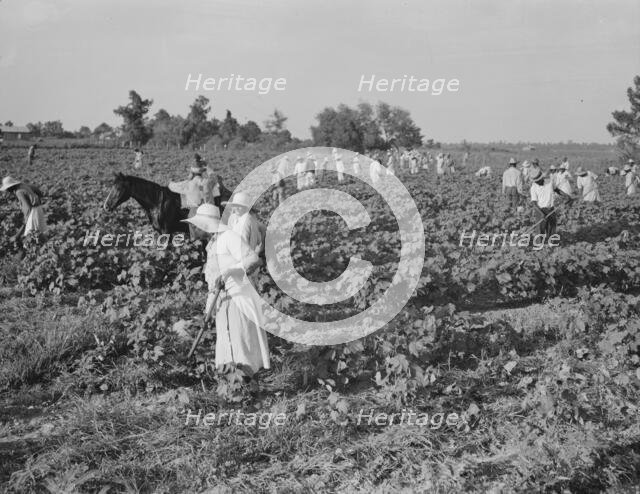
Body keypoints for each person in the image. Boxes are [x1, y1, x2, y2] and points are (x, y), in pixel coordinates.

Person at [183, 204, 269, 375]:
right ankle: (231, 381)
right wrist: (208, 311)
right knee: (227, 342)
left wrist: (230, 272)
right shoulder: (212, 244)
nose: (193, 229)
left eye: (195, 226)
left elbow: (253, 260)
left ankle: (245, 382)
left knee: (241, 342)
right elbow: (212, 283)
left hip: (237, 298)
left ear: (205, 225)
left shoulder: (229, 237)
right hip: (222, 300)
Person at [168, 159, 208, 240]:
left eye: (190, 172)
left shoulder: (192, 182)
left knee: (193, 224)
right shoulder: (200, 180)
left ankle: (196, 240)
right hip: (205, 207)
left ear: (192, 173)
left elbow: (177, 187)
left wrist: (170, 183)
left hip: (195, 208)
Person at [529, 168, 573, 240]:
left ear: (542, 178)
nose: (537, 182)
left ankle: (552, 246)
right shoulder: (533, 188)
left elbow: (557, 190)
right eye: (535, 181)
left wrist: (566, 196)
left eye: (538, 180)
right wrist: (541, 214)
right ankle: (539, 247)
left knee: (552, 229)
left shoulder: (549, 182)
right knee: (540, 230)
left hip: (550, 209)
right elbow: (534, 203)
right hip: (540, 210)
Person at [223, 192, 265, 256]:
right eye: (235, 206)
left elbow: (248, 242)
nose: (236, 208)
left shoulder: (247, 220)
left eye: (240, 206)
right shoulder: (233, 218)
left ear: (246, 208)